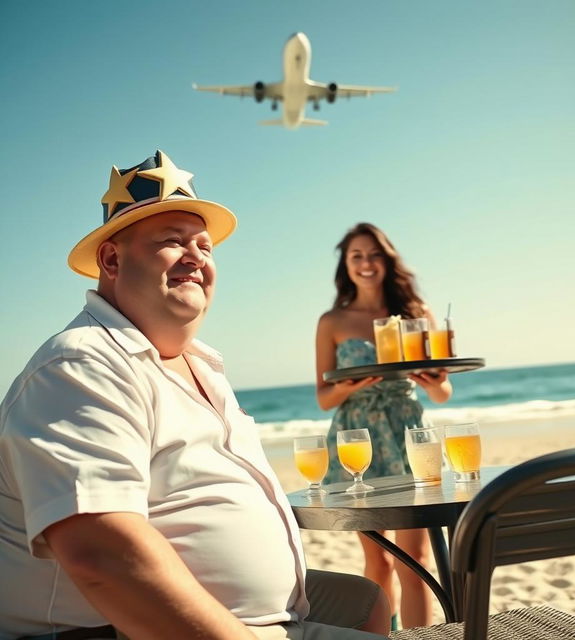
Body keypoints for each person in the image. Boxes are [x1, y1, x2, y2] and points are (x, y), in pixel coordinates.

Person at [0, 152, 391, 640]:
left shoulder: (200, 363)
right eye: (172, 242)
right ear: (112, 259)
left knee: (364, 600)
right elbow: (101, 556)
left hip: (253, 612)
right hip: (112, 631)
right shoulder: (81, 365)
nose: (196, 257)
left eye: (204, 246)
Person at [315, 222, 453, 630]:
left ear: (387, 260)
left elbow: (443, 392)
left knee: (417, 561)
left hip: (410, 431)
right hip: (357, 434)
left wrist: (435, 382)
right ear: (346, 264)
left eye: (374, 254)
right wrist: (350, 385)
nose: (366, 263)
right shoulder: (332, 321)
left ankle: (422, 638)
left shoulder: (416, 314)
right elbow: (324, 399)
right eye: (356, 256)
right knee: (378, 560)